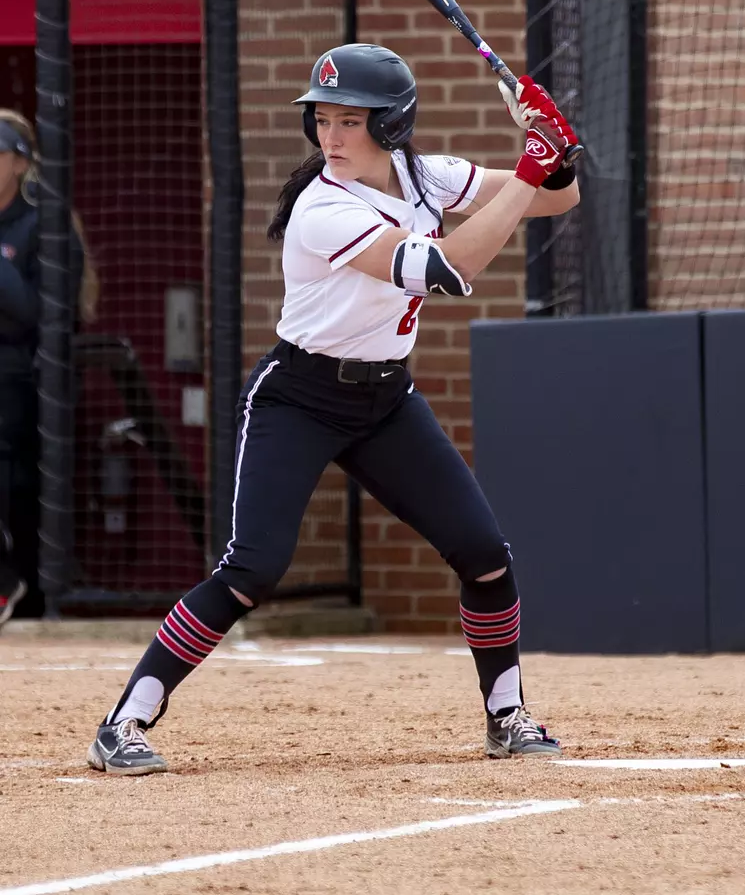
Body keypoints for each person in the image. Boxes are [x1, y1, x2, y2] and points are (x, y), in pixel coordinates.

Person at [87, 43, 579, 775]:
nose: (332, 138)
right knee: (252, 569)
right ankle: (124, 721)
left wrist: (556, 159)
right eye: (322, 120)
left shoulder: (424, 173)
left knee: (483, 557)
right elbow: (448, 268)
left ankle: (505, 714)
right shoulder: (322, 207)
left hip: (385, 398)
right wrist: (530, 161)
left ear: (392, 125)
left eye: (351, 121)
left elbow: (556, 200)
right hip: (300, 397)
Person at [0, 110, 98, 627]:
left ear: (19, 162)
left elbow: (39, 314)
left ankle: (22, 588)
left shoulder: (45, 223)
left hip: (30, 384)